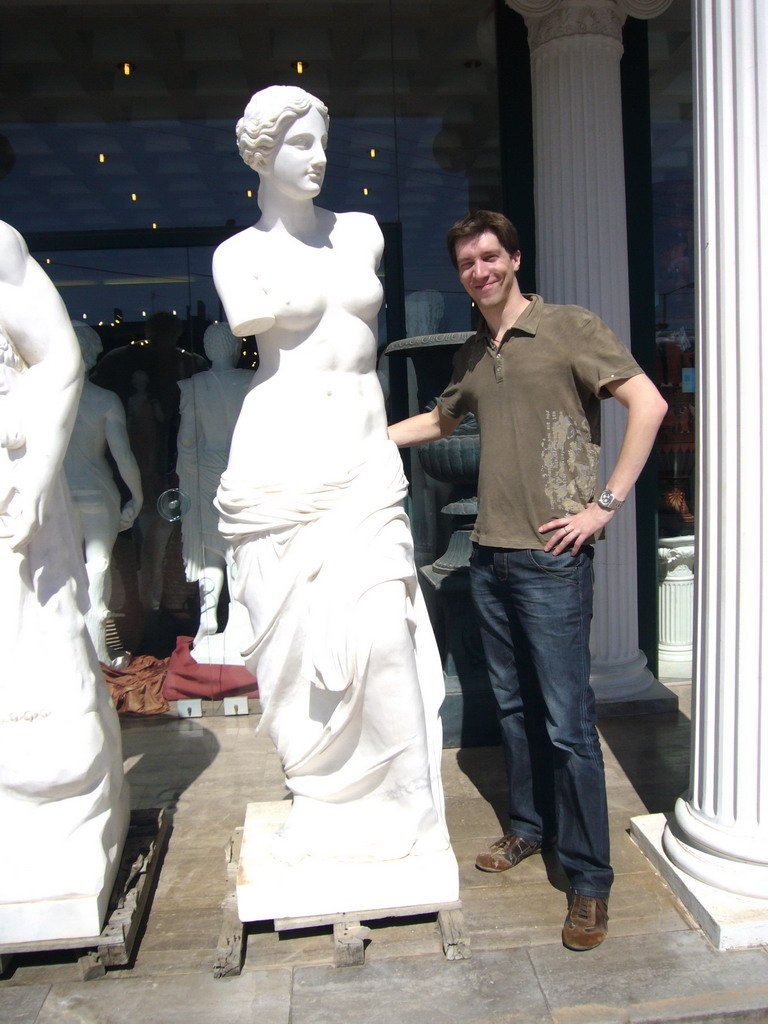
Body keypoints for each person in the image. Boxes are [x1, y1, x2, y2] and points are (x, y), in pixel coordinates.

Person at [388, 210, 668, 950]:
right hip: (490, 555)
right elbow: (441, 424)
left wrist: (603, 506)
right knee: (511, 709)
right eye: (467, 264)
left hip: (551, 561)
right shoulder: (477, 351)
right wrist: (362, 437)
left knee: (569, 727)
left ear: (515, 258)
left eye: (490, 257)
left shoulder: (569, 327)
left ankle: (588, 882)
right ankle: (528, 830)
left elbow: (649, 403)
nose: (480, 272)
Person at [212, 86, 450, 864]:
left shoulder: (362, 233)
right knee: (295, 659)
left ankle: (409, 799)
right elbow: (251, 338)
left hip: (361, 464)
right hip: (280, 466)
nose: (318, 159)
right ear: (260, 154)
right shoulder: (237, 256)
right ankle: (319, 794)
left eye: (323, 143)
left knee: (382, 631)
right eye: (300, 145)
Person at [0, 220, 128, 934]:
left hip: (16, 476)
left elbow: (58, 359)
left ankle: (53, 805)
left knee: (37, 632)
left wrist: (38, 469)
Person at [64, 323, 143, 664]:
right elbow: (123, 456)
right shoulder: (104, 400)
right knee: (99, 566)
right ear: (92, 354)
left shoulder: (48, 401)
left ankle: (75, 657)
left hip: (62, 495)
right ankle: (98, 654)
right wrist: (137, 496)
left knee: (63, 573)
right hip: (98, 492)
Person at [176, 322, 253, 649]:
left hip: (207, 470)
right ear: (235, 349)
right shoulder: (252, 381)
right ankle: (239, 615)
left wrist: (186, 472)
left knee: (211, 546)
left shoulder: (195, 387)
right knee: (239, 546)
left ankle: (209, 615)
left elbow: (188, 440)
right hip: (244, 468)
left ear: (207, 350)